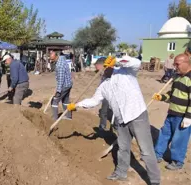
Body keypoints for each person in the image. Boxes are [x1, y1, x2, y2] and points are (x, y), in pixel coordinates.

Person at [67, 56, 160, 185]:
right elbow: (94, 100)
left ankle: (155, 180)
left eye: (102, 69)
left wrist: (117, 60)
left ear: (108, 65)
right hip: (121, 120)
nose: (101, 73)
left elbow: (136, 63)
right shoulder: (103, 86)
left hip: (137, 115)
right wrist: (76, 105)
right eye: (98, 71)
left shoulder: (126, 72)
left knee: (146, 150)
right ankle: (121, 173)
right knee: (122, 148)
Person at [152, 53, 191, 171]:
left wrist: (188, 117)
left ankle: (177, 161)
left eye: (177, 64)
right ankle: (157, 154)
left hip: (183, 116)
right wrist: (162, 97)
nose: (175, 67)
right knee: (164, 134)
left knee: (179, 139)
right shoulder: (177, 77)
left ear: (186, 63)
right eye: (174, 64)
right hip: (172, 112)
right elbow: (172, 94)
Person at [49, 50, 73, 120]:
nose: (51, 60)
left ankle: (54, 119)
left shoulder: (59, 65)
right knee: (65, 101)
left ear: (55, 56)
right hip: (69, 84)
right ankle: (68, 116)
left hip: (64, 85)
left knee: (54, 101)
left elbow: (61, 79)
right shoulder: (62, 58)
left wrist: (58, 91)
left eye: (51, 58)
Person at [94, 57, 114, 133]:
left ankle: (115, 128)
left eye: (98, 68)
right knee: (103, 111)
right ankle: (102, 126)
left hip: (112, 95)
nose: (97, 71)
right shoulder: (104, 74)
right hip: (105, 94)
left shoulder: (111, 72)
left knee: (114, 113)